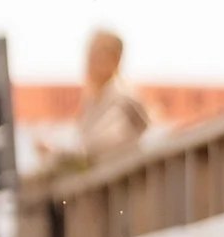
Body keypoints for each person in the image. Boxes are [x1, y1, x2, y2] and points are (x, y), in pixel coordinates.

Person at [52, 27, 152, 173]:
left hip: (123, 186)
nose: (89, 63)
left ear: (115, 59)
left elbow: (96, 146)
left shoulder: (124, 98)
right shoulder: (93, 100)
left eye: (96, 56)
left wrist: (58, 153)